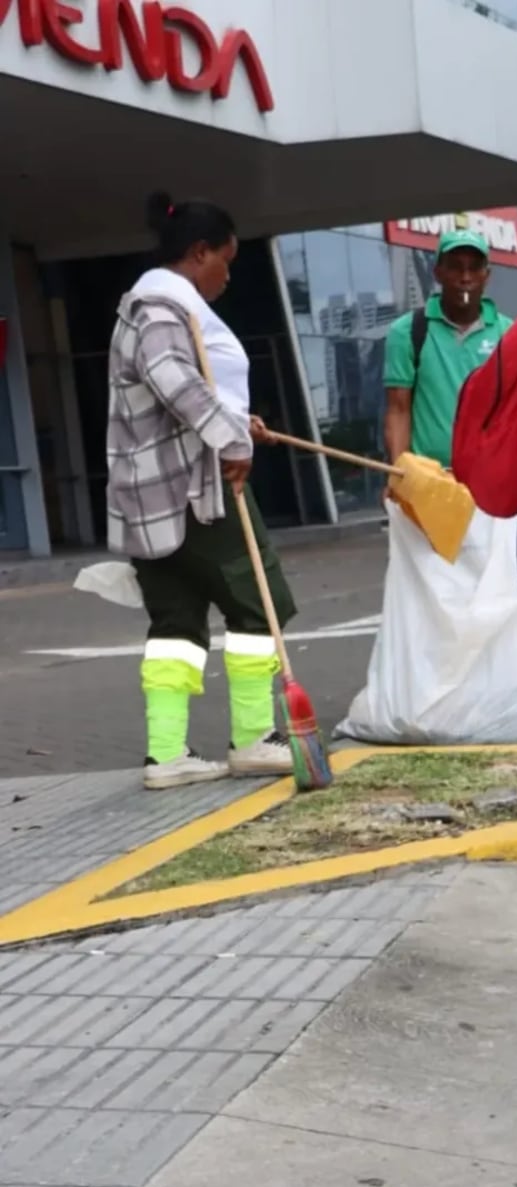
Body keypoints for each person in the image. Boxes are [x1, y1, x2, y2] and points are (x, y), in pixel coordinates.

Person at [107, 191, 296, 790]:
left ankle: (167, 755)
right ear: (198, 252)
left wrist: (241, 424)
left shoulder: (147, 305)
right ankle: (254, 739)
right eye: (226, 261)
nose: (228, 276)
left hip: (151, 499)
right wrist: (232, 441)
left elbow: (189, 390)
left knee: (175, 624)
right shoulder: (162, 306)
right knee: (255, 604)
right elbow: (173, 381)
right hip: (195, 490)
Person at [382, 227, 513, 471]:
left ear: (487, 275)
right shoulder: (407, 331)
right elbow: (398, 410)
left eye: (474, 268)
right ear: (438, 273)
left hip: (490, 476)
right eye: (455, 267)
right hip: (430, 478)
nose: (465, 277)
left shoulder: (509, 333)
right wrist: (397, 472)